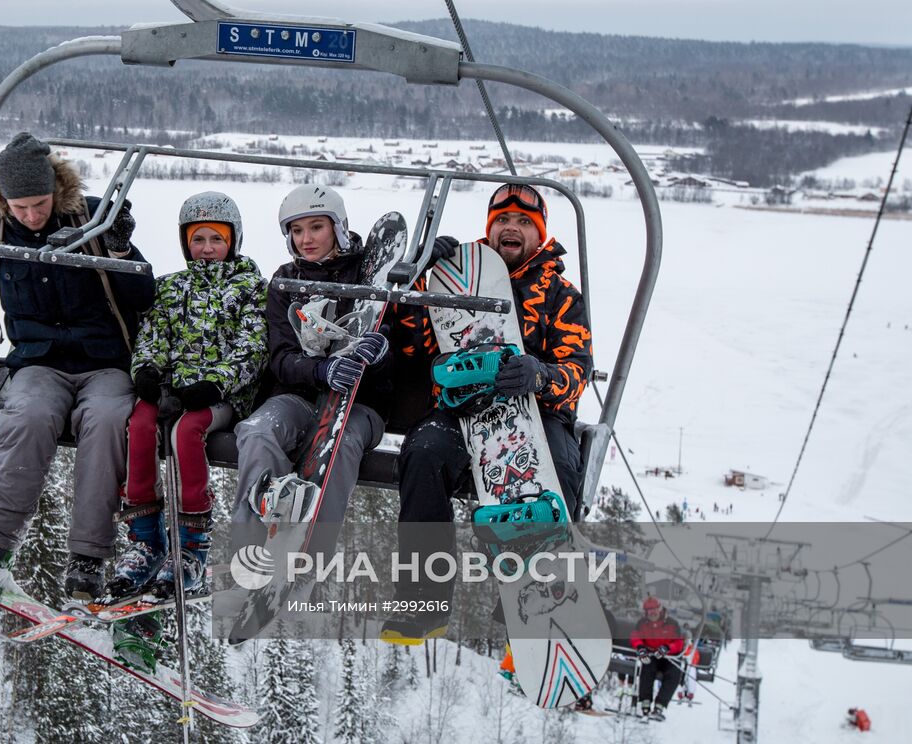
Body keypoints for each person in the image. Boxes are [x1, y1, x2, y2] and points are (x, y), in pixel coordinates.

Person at [0, 132, 155, 600]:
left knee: (105, 422)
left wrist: (121, 251)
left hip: (105, 362)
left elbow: (144, 296)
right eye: (21, 207)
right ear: (4, 200)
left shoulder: (94, 221)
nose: (32, 216)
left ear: (55, 190)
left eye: (39, 203)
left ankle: (87, 556)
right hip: (39, 362)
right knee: (29, 418)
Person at [385, 182, 592, 644]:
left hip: (536, 413)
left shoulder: (560, 294)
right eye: (502, 221)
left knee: (555, 467)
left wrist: (538, 375)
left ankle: (536, 589)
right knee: (423, 452)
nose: (510, 228)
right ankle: (423, 596)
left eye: (522, 222)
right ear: (490, 229)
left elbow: (578, 369)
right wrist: (422, 276)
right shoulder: (459, 280)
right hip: (464, 411)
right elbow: (413, 342)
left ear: (539, 236)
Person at [108, 191, 268, 601]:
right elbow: (154, 335)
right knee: (140, 424)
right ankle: (146, 540)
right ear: (185, 243)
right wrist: (146, 369)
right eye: (198, 240)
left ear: (233, 241)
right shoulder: (172, 287)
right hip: (175, 388)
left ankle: (192, 546)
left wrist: (217, 383)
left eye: (217, 239)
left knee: (185, 433)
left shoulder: (249, 287)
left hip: (221, 394)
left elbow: (252, 345)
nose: (207, 249)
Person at [229, 185, 401, 549]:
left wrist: (382, 354)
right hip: (300, 396)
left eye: (316, 227)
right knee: (257, 431)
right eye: (296, 230)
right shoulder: (286, 280)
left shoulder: (371, 276)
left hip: (359, 405)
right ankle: (250, 545)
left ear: (337, 228)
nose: (305, 239)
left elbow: (404, 346)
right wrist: (320, 371)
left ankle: (311, 552)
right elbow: (280, 357)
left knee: (340, 445)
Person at [631, 596, 685, 720]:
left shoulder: (672, 624)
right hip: (652, 654)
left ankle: (660, 705)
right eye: (649, 610)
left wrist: (667, 648)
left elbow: (679, 643)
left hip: (668, 656)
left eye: (654, 609)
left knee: (674, 673)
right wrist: (640, 647)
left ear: (660, 609)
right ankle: (645, 702)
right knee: (647, 667)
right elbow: (635, 636)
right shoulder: (642, 623)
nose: (652, 613)